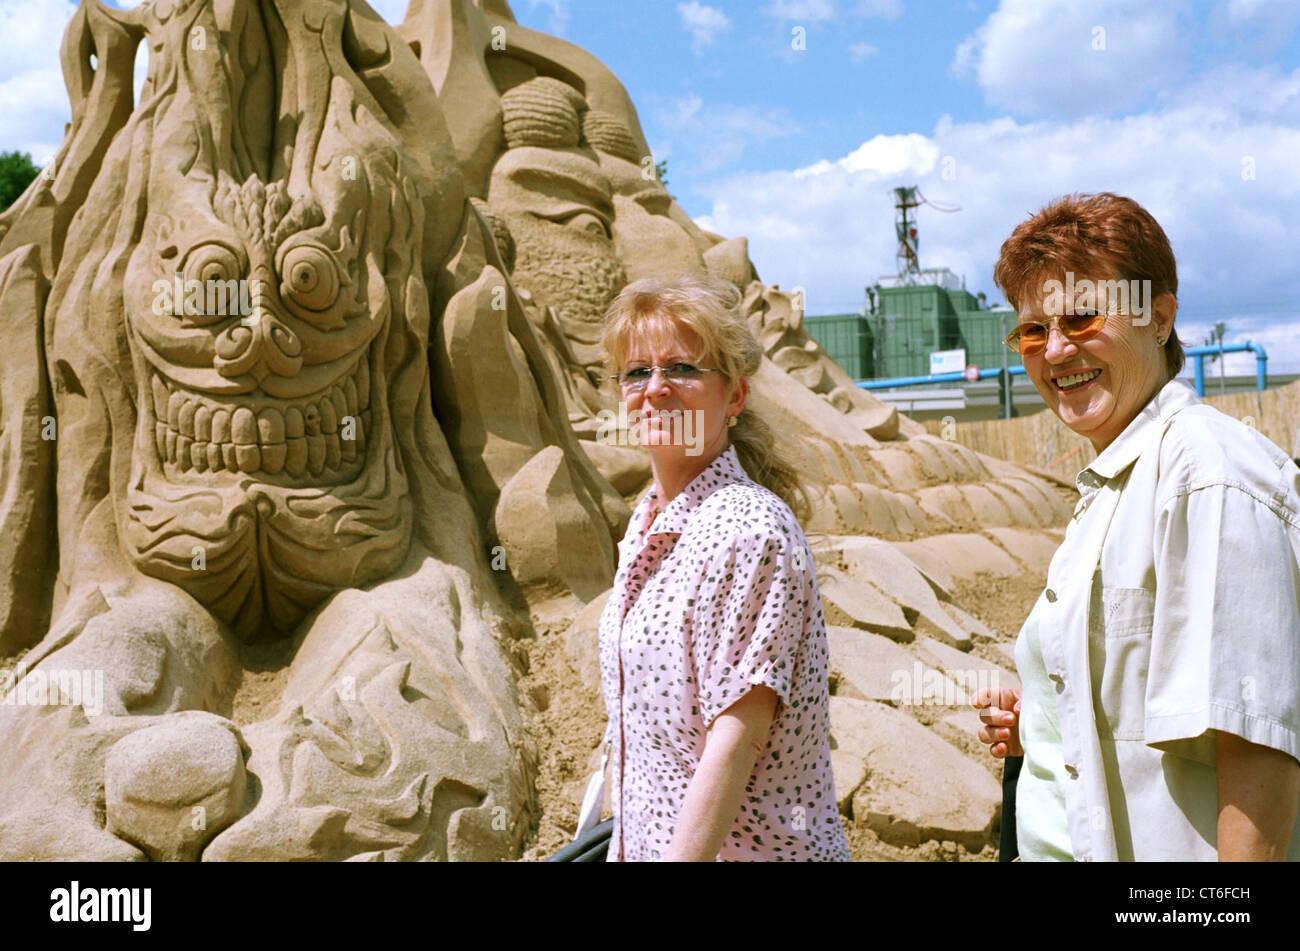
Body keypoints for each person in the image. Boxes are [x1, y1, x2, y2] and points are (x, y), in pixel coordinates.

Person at [974, 192, 1300, 861]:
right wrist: (1041, 724)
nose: (1057, 350)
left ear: (1158, 317)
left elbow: (1258, 740)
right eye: (1034, 331)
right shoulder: (1111, 488)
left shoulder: (1205, 470)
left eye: (1083, 317)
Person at [595, 273, 850, 861]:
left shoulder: (747, 528)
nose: (655, 389)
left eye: (681, 369)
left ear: (734, 396)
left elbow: (735, 744)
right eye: (637, 372)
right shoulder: (649, 522)